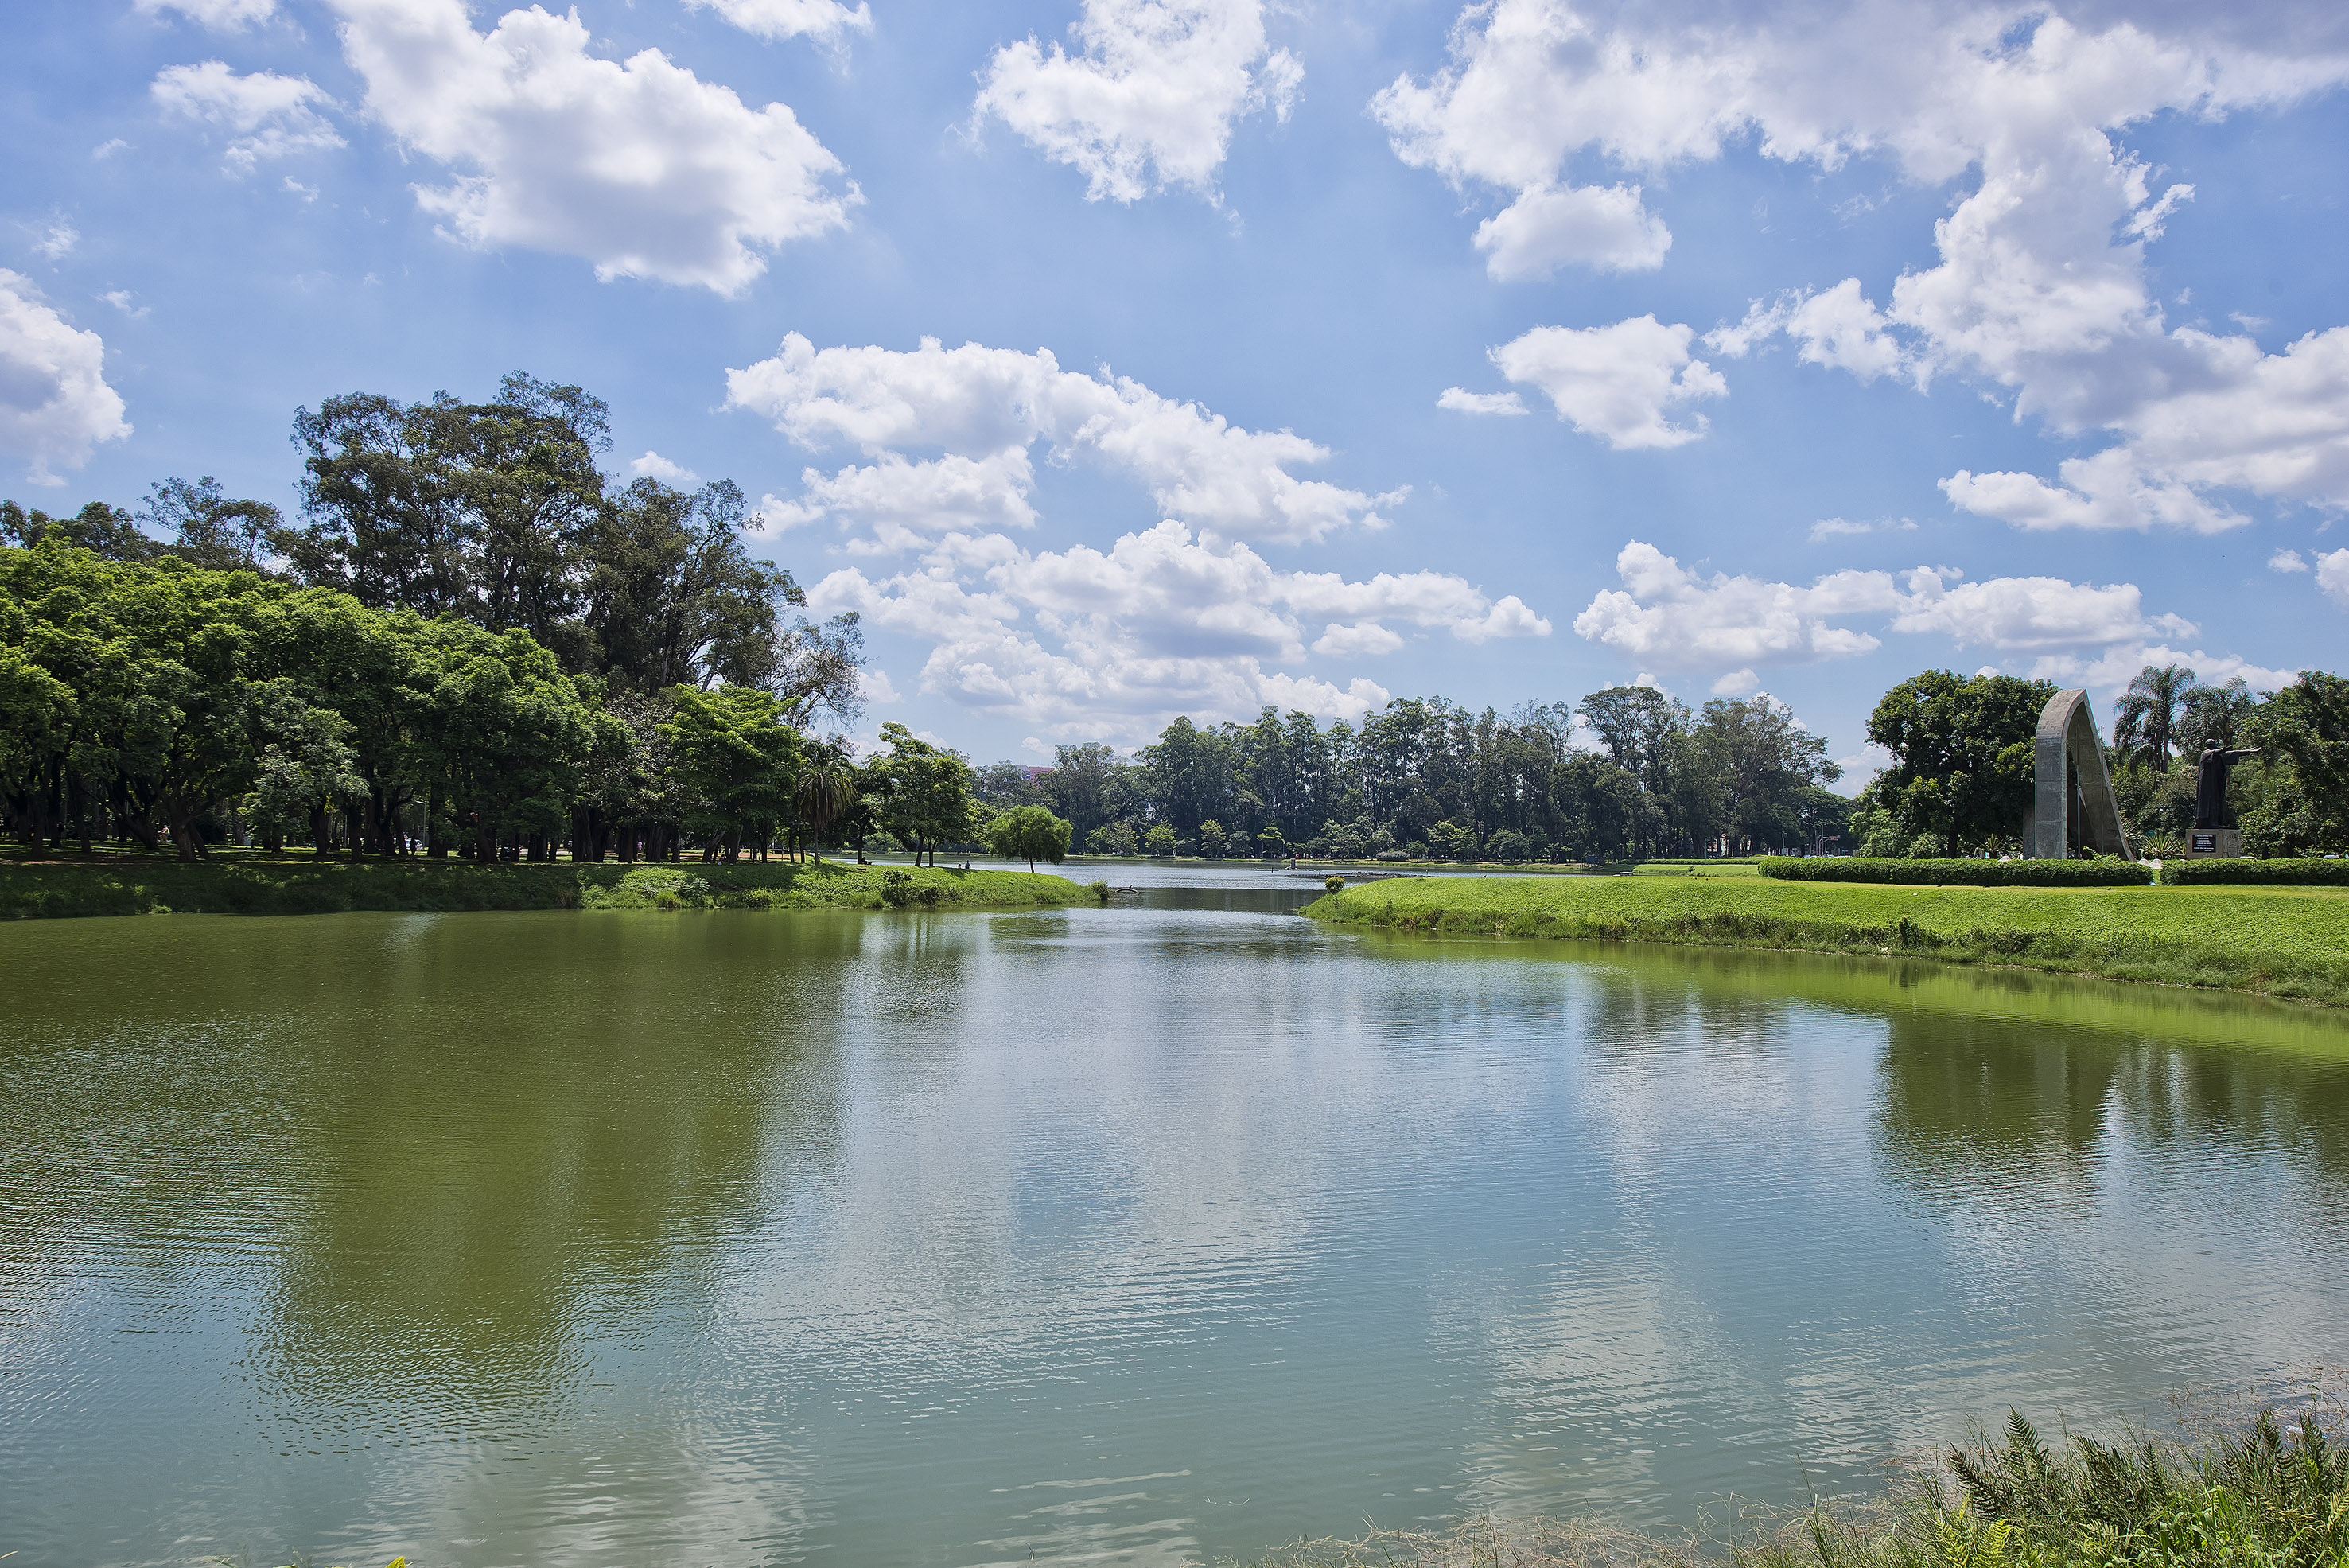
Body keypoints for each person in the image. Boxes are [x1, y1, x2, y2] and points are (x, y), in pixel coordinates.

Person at [2193, 739, 2260, 829]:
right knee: (2208, 803)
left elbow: (2234, 753)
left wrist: (2249, 751)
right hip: (2206, 784)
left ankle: (2215, 822)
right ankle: (2207, 823)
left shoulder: (2220, 755)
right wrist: (2223, 749)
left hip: (2216, 783)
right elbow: (2216, 752)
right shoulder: (2206, 754)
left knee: (2216, 801)